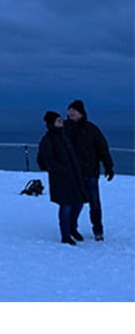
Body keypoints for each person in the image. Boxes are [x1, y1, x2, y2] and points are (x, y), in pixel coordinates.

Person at [64, 99, 115, 241]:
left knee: (94, 202)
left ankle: (98, 230)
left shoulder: (91, 129)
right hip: (73, 173)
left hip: (90, 171)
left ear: (81, 113)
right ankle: (71, 228)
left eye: (74, 112)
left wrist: (108, 166)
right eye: (69, 112)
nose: (70, 114)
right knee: (75, 202)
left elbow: (102, 148)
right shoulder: (64, 128)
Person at [36, 111, 88, 245]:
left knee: (79, 202)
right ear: (52, 123)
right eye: (59, 120)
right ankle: (65, 235)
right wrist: (62, 170)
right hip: (61, 178)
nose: (62, 122)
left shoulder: (64, 135)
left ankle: (72, 228)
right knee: (66, 205)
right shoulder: (48, 139)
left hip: (74, 175)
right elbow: (48, 160)